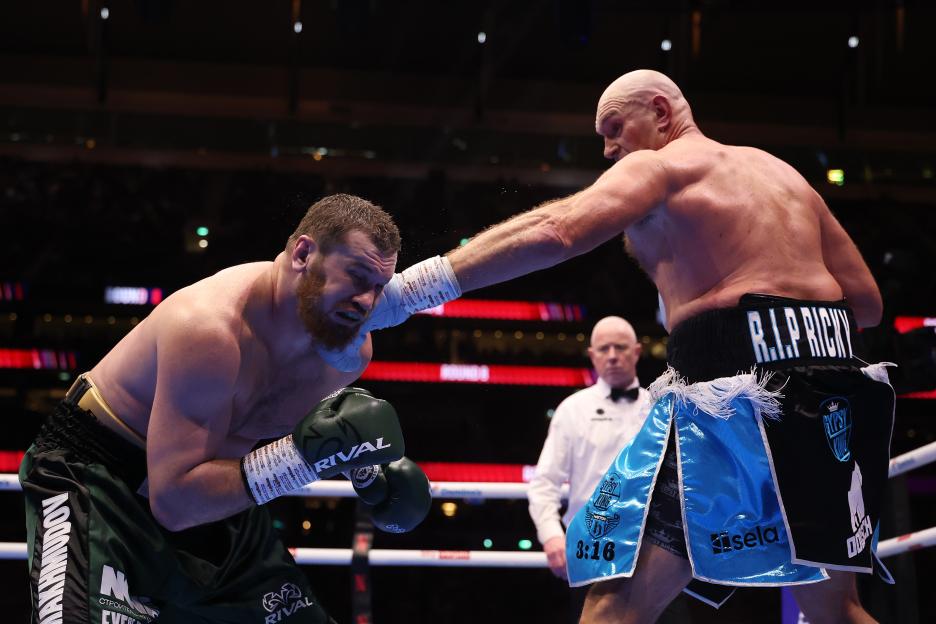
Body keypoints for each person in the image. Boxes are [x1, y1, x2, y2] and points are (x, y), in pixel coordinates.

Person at [338, 70, 893, 623]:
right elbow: (866, 304)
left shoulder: (661, 165)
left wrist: (410, 292)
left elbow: (557, 229)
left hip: (733, 396)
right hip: (829, 396)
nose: (608, 149)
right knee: (836, 611)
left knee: (614, 604)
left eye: (614, 127)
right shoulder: (785, 176)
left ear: (661, 111)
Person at [19, 194, 433, 624]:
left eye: (378, 286)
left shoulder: (341, 349)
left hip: (216, 494)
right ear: (304, 254)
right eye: (356, 276)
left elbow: (305, 424)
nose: (367, 301)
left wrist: (366, 470)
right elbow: (176, 502)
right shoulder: (209, 328)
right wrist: (301, 459)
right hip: (98, 481)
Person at [528, 316, 652, 621]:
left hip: (651, 548)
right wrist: (551, 535)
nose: (612, 355)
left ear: (636, 352)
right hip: (589, 548)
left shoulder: (658, 406)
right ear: (592, 355)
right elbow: (544, 481)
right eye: (604, 348)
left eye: (620, 347)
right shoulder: (573, 409)